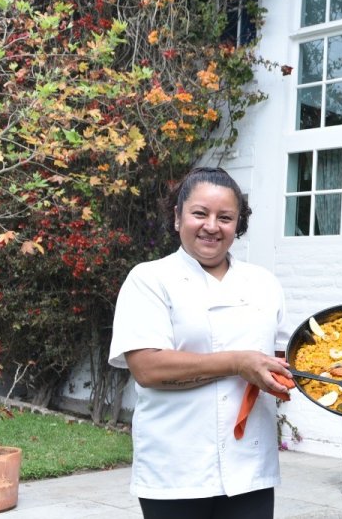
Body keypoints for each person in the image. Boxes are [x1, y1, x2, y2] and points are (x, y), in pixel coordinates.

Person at [109, 167, 293, 519]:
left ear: (238, 225)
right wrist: (238, 363)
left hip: (249, 465)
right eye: (199, 213)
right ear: (177, 217)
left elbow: (284, 357)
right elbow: (147, 367)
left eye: (225, 217)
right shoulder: (149, 279)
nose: (212, 226)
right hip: (176, 466)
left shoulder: (264, 284)